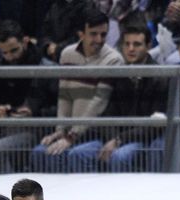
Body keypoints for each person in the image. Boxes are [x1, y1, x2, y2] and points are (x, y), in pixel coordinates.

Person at [30, 7, 125, 172]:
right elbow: (64, 97)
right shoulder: (67, 54)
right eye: (93, 34)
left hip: (98, 132)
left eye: (103, 34)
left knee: (77, 154)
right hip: (71, 130)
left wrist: (71, 136)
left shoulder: (113, 59)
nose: (99, 39)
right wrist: (60, 131)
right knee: (40, 152)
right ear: (81, 33)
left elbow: (98, 102)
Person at [66, 25, 168, 172]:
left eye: (137, 44)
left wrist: (119, 140)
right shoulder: (117, 72)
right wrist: (113, 139)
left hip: (142, 139)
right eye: (126, 44)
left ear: (148, 46)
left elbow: (153, 125)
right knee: (78, 154)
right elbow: (108, 114)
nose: (131, 49)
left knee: (120, 156)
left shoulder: (159, 77)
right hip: (114, 137)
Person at [0, 19, 58, 173]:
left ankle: (9, 195)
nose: (10, 57)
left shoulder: (47, 69)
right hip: (3, 129)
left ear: (25, 41)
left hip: (37, 130)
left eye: (14, 50)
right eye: (4, 53)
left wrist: (35, 114)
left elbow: (60, 110)